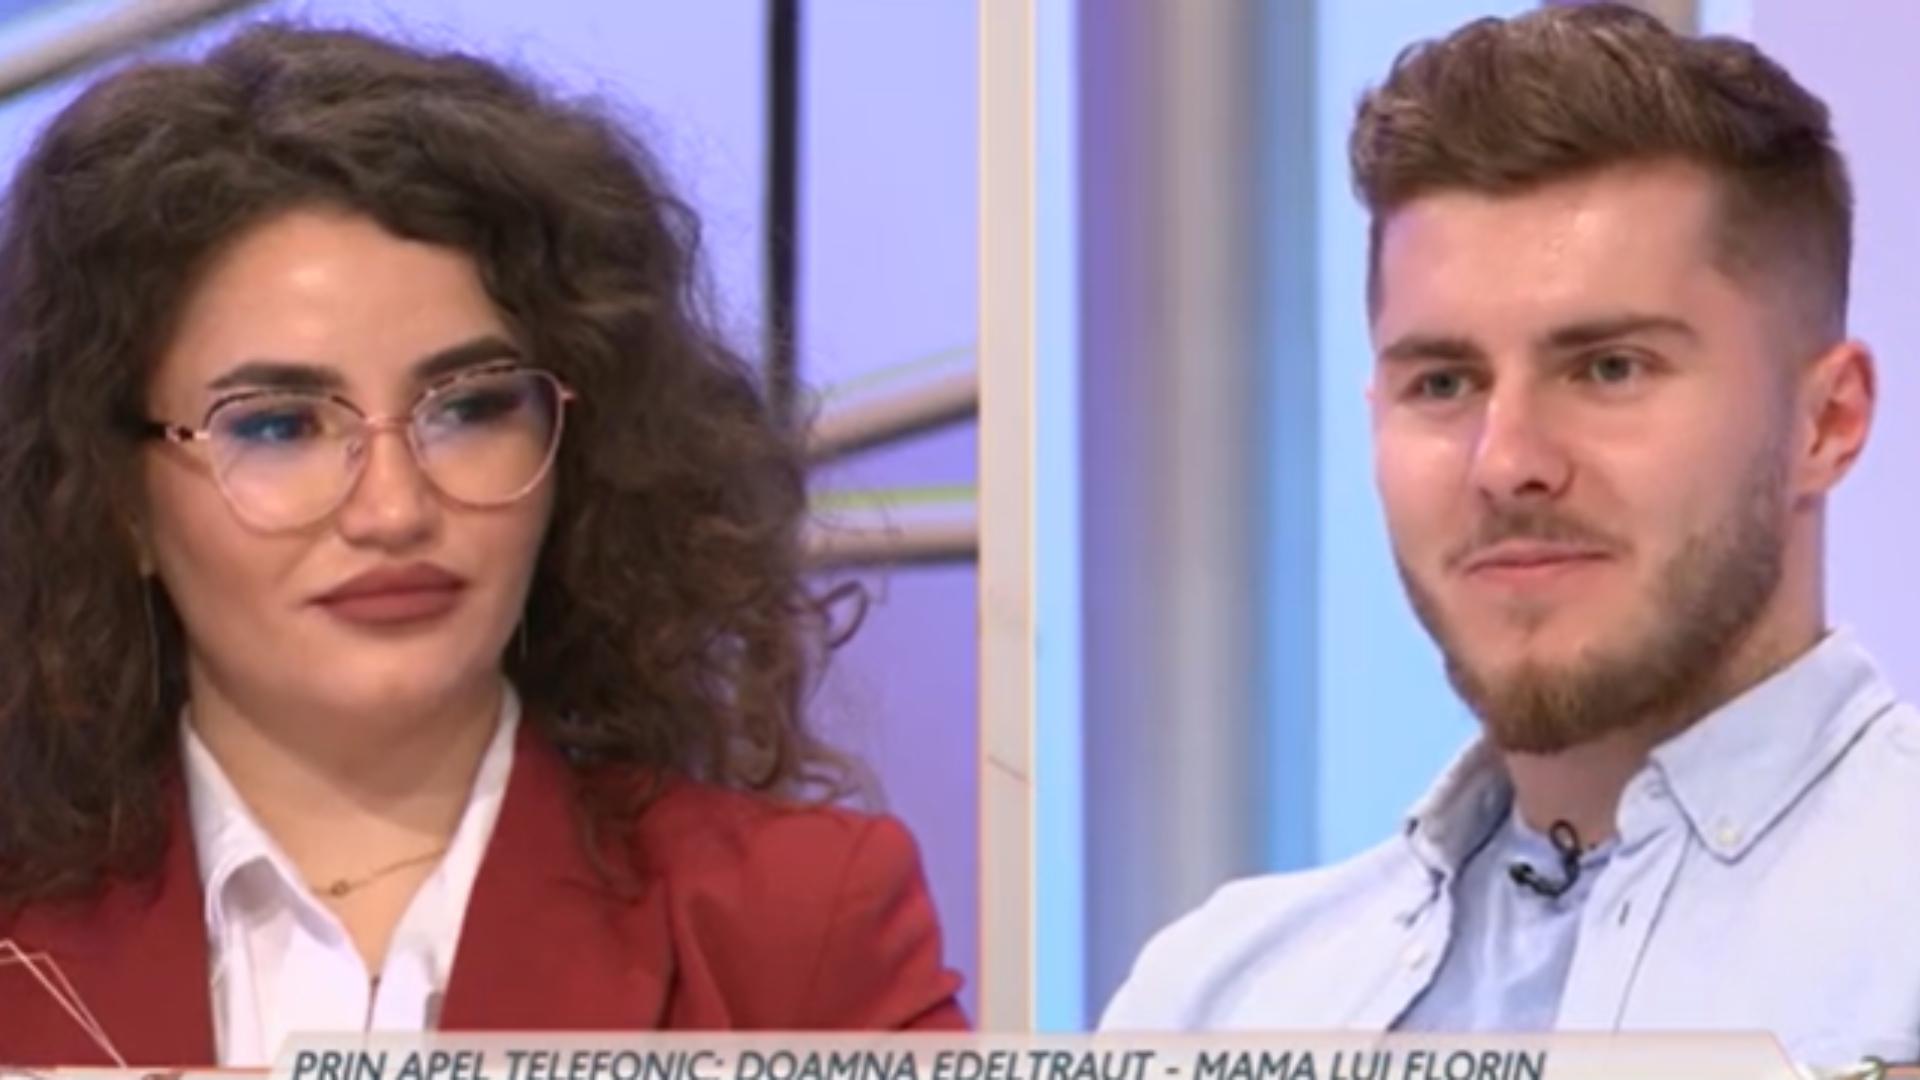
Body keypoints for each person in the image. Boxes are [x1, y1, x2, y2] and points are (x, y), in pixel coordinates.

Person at [0, 22, 965, 1067]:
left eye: (469, 408)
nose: (392, 510)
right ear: (117, 503)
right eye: (277, 426)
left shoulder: (794, 923)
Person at [1103, 4, 1920, 1066]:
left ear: (1828, 423)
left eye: (1609, 368)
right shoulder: (1216, 1000)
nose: (1505, 461)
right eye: (1444, 383)